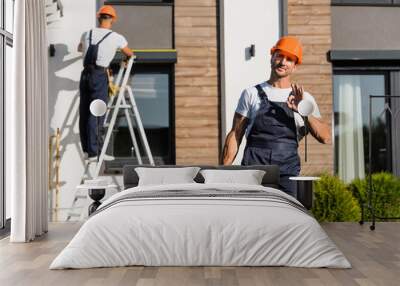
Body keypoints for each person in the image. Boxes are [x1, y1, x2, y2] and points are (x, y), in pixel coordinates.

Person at [222, 36, 331, 198]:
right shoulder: (251, 94)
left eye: (289, 59)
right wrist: (223, 171)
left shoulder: (303, 98)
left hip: (287, 173)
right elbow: (235, 134)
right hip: (253, 171)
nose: (283, 62)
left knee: (288, 217)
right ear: (272, 57)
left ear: (295, 67)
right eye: (279, 55)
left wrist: (303, 110)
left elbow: (325, 137)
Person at [78, 5, 133, 160]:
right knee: (97, 111)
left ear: (98, 17)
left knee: (84, 111)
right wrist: (125, 60)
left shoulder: (86, 34)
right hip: (99, 75)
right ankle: (96, 152)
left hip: (85, 75)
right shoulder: (116, 37)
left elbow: (79, 48)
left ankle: (88, 150)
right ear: (113, 20)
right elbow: (130, 53)